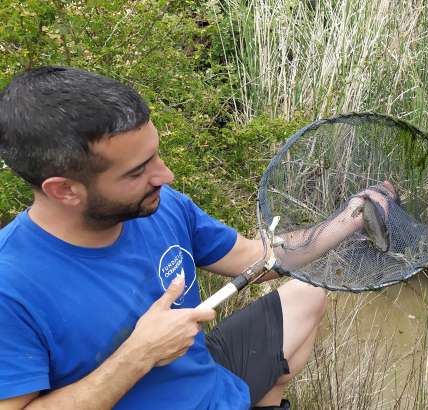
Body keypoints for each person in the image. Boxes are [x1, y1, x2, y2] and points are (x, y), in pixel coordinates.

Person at [0, 66, 394, 409]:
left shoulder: (161, 204)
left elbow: (253, 258)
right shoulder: (12, 286)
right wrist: (139, 355)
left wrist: (348, 220)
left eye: (155, 154)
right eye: (138, 172)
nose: (165, 176)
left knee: (308, 294)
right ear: (64, 190)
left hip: (210, 381)